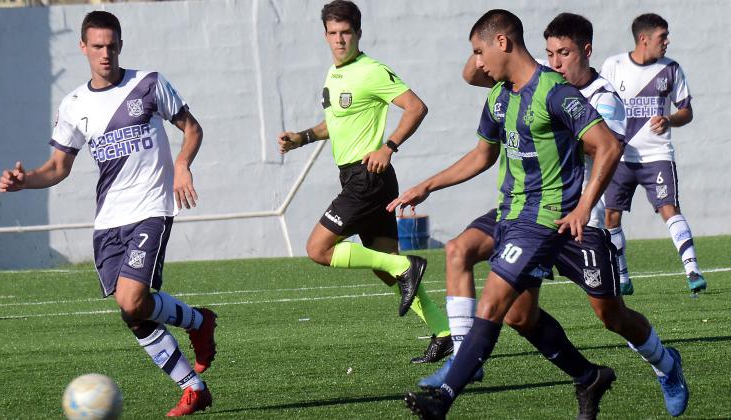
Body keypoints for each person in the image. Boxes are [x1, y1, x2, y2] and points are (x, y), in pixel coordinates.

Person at [416, 13, 689, 418]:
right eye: (550, 53)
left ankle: (666, 364)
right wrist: (484, 52)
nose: (557, 61)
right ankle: (485, 366)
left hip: (581, 222)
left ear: (586, 52)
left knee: (611, 315)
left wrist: (580, 200)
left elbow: (604, 150)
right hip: (527, 214)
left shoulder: (593, 97)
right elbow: (475, 77)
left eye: (565, 53)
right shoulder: (523, 87)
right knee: (506, 302)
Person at [391, 9, 624, 419]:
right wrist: (428, 184)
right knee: (493, 287)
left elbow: (607, 145)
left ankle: (445, 394)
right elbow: (483, 155)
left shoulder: (556, 92)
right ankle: (588, 376)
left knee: (495, 300)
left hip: (544, 218)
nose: (477, 63)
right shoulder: (500, 96)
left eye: (479, 51)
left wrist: (584, 207)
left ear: (503, 43)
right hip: (509, 211)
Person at [0, 11, 215, 416]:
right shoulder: (75, 104)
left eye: (112, 45)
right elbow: (58, 167)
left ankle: (199, 330)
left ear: (120, 45)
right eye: (97, 46)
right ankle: (194, 373)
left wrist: (183, 165)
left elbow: (193, 128)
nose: (105, 53)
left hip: (151, 208)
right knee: (132, 311)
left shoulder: (148, 83)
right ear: (83, 47)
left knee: (132, 300)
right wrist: (24, 181)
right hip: (108, 221)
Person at [277, 0, 452, 364]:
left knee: (318, 250)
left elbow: (416, 106)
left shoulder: (371, 70)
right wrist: (303, 138)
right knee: (385, 266)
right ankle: (444, 333)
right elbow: (336, 123)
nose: (340, 40)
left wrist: (389, 146)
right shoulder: (334, 73)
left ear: (358, 33)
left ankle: (406, 267)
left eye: (346, 32)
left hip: (367, 178)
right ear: (325, 35)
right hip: (363, 179)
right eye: (333, 33)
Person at [600, 13, 706, 295]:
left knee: (669, 208)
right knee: (611, 216)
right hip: (619, 156)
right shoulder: (613, 66)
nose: (667, 41)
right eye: (663, 37)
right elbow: (597, 103)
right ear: (643, 39)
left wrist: (669, 120)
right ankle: (622, 276)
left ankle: (693, 269)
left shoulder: (671, 69)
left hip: (657, 155)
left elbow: (686, 110)